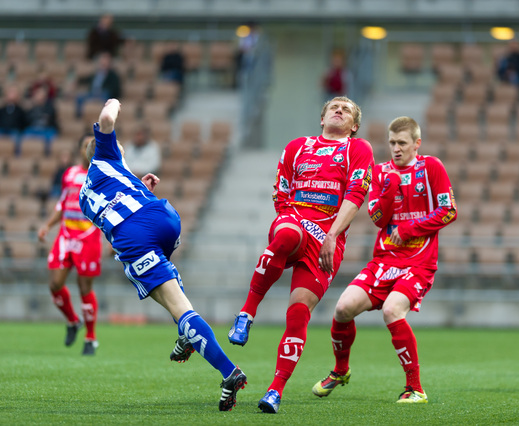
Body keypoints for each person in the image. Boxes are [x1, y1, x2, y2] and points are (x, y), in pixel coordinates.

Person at [78, 99, 246, 411]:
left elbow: (112, 211)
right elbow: (106, 118)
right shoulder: (108, 155)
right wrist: (114, 102)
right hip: (164, 216)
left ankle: (228, 371)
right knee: (168, 286)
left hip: (133, 235)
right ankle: (186, 336)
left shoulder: (84, 194)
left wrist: (136, 186)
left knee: (178, 307)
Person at [228, 96, 374, 413]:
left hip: (327, 237)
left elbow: (356, 194)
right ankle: (246, 314)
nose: (339, 110)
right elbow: (281, 189)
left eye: (346, 109)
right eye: (333, 107)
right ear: (321, 118)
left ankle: (275, 391)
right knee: (286, 236)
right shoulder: (297, 146)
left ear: (355, 125)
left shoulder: (358, 150)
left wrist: (332, 235)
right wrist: (287, 216)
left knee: (298, 314)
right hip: (295, 219)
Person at [311, 116, 457, 404]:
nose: (396, 149)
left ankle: (415, 388)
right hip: (384, 261)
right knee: (342, 309)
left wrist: (410, 228)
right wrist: (389, 193)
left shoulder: (432, 167)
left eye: (402, 143)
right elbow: (378, 219)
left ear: (417, 144)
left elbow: (449, 211)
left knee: (392, 311)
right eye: (392, 143)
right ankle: (341, 371)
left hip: (419, 262)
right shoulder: (379, 172)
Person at [38, 134, 102, 355]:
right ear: (81, 150)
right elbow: (62, 203)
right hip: (66, 235)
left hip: (88, 237)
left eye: (92, 146)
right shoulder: (70, 174)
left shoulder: (101, 176)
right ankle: (73, 321)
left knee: (85, 288)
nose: (89, 149)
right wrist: (47, 225)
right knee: (55, 284)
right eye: (86, 145)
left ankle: (90, 338)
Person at [76, 52, 122, 117]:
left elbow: (115, 87)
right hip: (93, 93)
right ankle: (79, 117)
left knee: (107, 96)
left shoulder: (113, 75)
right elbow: (87, 79)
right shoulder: (96, 73)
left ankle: (105, 116)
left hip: (104, 94)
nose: (103, 63)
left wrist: (104, 90)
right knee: (79, 97)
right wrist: (77, 81)